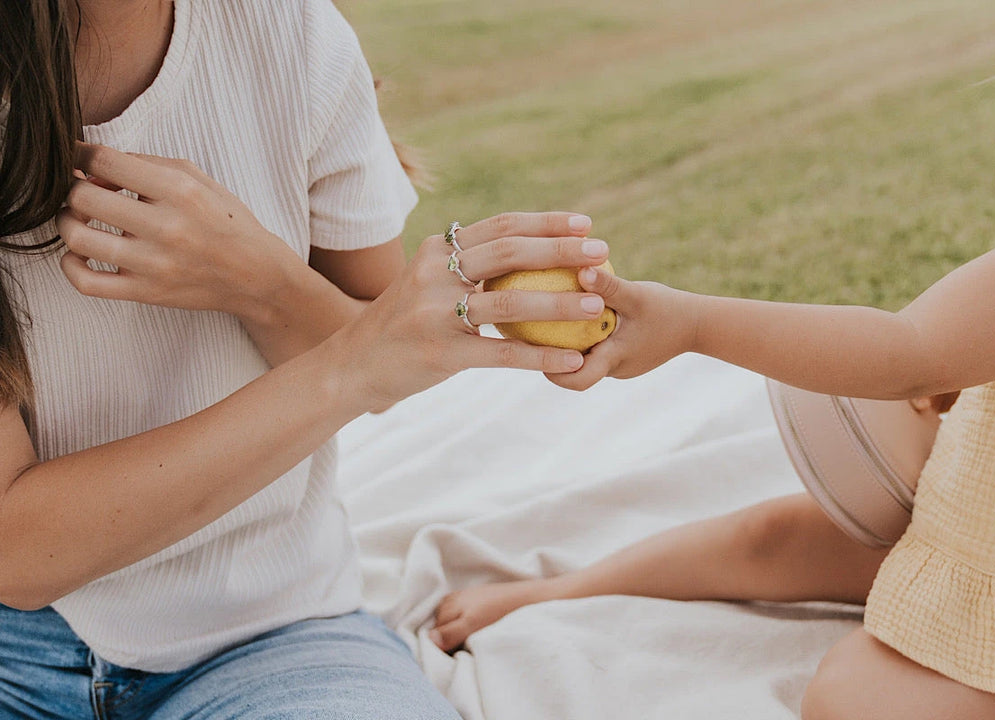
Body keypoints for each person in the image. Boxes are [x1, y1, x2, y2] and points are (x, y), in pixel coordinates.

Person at [432, 1, 995, 717]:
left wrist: (691, 323)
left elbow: (913, 350)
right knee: (768, 538)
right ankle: (557, 592)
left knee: (848, 698)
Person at [0, 0, 612, 717]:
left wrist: (260, 282)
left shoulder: (292, 32)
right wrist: (352, 364)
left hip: (269, 627)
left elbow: (373, 351)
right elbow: (19, 555)